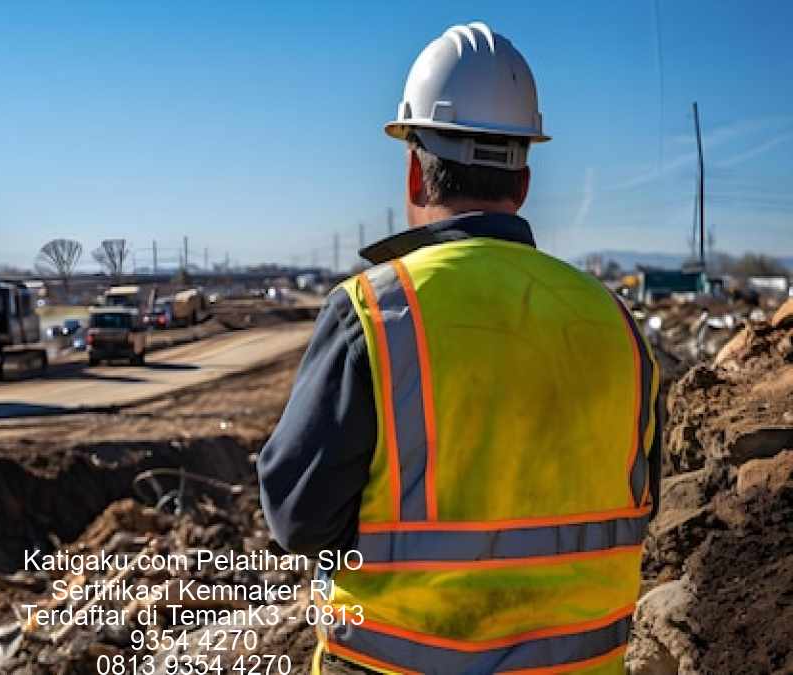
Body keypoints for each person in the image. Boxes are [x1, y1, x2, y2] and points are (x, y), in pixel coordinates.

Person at [258, 22, 661, 674]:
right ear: (524, 182)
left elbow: (297, 518)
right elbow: (642, 504)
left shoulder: (376, 312)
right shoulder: (617, 324)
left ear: (416, 172)